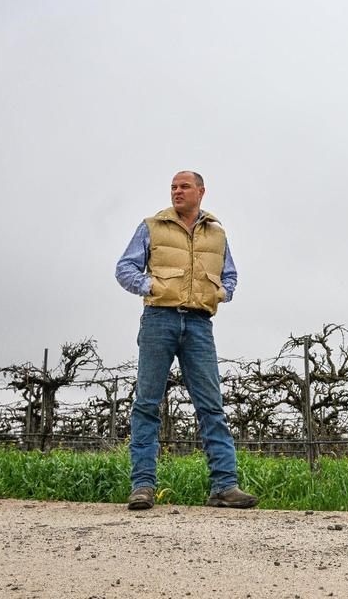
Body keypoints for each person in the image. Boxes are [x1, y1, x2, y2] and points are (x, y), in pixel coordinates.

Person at [115, 170, 258, 510]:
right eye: (173, 187)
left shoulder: (217, 233)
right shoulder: (151, 226)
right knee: (147, 404)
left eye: (184, 187)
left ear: (201, 192)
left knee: (211, 406)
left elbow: (231, 274)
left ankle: (224, 486)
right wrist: (150, 286)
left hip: (198, 323)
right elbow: (124, 268)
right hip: (158, 320)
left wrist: (223, 292)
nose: (177, 192)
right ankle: (143, 486)